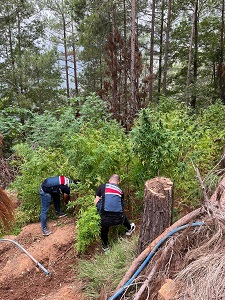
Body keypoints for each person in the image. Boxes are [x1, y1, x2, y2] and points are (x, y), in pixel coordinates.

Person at [94, 174, 135, 251]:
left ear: (109, 181)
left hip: (105, 220)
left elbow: (95, 202)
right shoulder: (120, 191)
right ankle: (129, 228)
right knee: (122, 212)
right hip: (119, 219)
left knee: (104, 228)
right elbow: (121, 204)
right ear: (118, 182)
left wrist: (98, 212)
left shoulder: (102, 186)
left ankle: (105, 247)